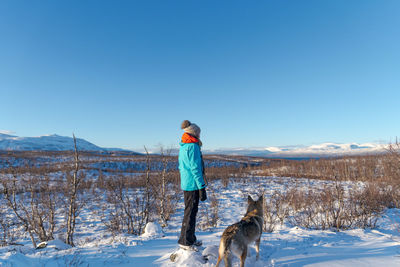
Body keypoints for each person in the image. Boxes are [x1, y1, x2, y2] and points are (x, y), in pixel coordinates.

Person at [178, 120, 207, 251]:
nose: (200, 136)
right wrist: (201, 186)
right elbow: (195, 168)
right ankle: (186, 242)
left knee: (189, 211)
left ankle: (190, 238)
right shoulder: (193, 147)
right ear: (194, 133)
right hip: (192, 185)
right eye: (199, 133)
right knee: (190, 213)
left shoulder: (184, 145)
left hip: (187, 183)